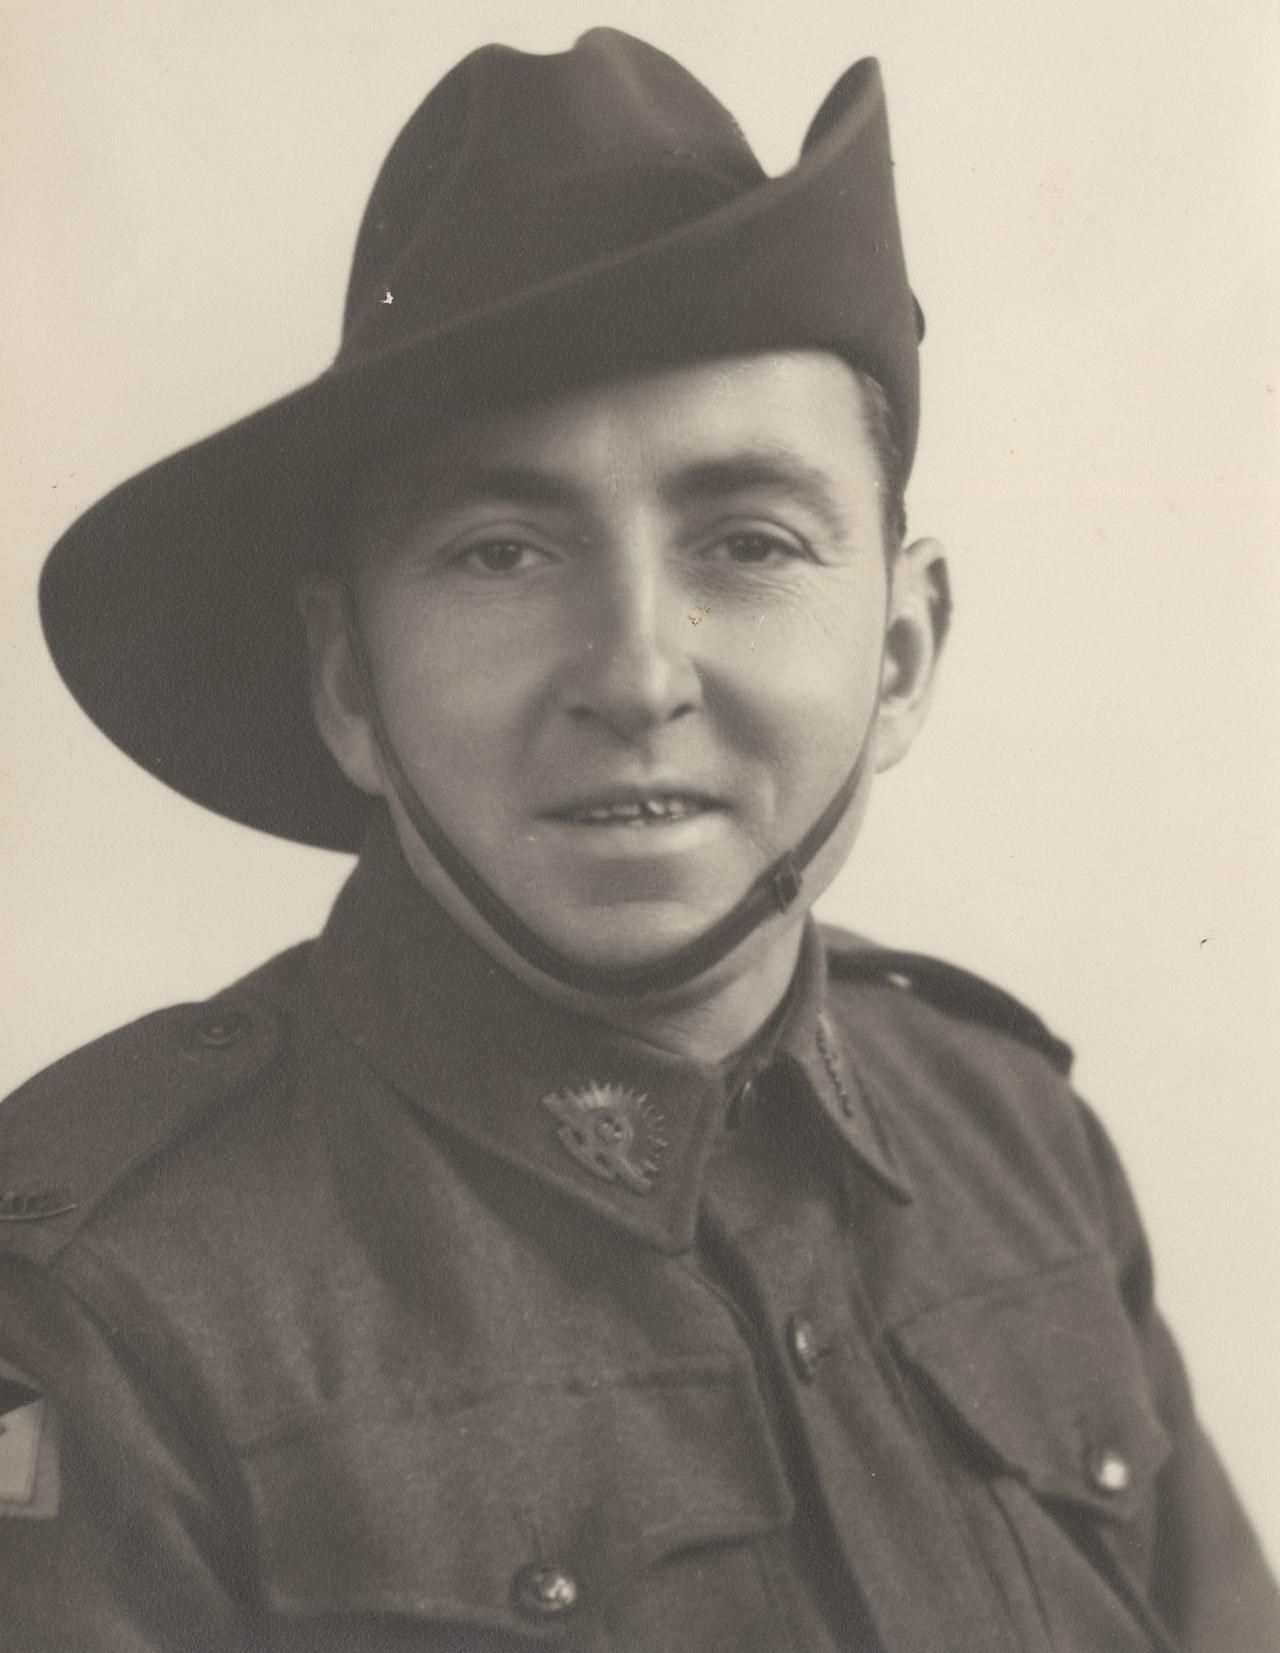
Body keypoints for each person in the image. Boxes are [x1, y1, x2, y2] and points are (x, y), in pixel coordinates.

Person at [1, 27, 1276, 1652]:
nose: (636, 674)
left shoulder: (1018, 1138)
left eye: (747, 538)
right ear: (347, 678)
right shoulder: (104, 1310)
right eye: (503, 551)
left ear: (899, 655)